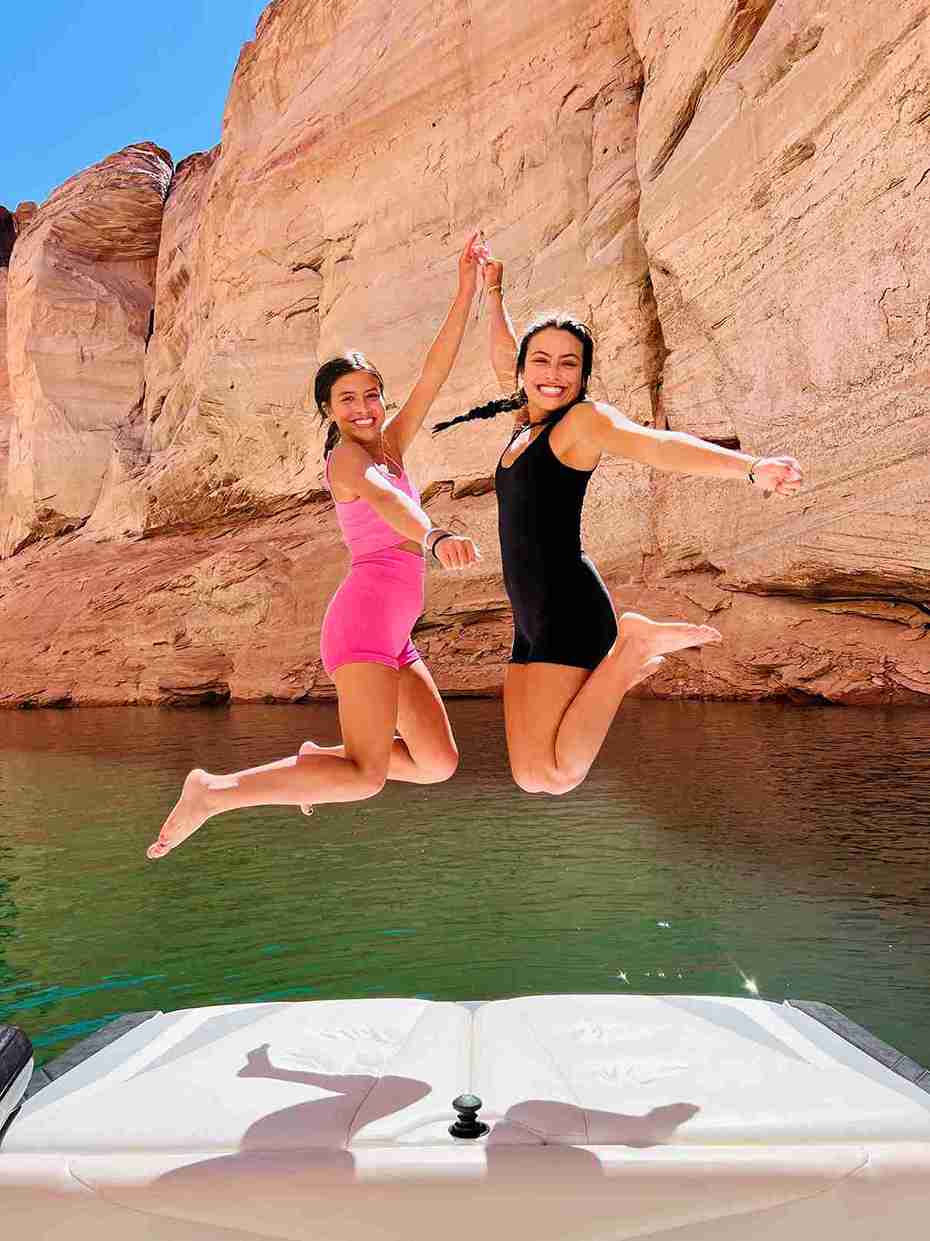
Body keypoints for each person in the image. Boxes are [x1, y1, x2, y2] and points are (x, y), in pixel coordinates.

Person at [146, 235, 486, 859]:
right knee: (366, 777)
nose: (364, 408)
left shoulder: (390, 443)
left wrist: (466, 289)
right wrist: (434, 534)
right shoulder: (348, 461)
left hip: (396, 635)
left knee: (436, 763)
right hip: (361, 629)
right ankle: (214, 790)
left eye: (371, 395)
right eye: (347, 400)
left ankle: (316, 761)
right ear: (328, 411)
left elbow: (436, 374)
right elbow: (393, 505)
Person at [433, 257, 803, 797]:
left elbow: (657, 446)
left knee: (556, 776)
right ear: (522, 369)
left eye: (569, 364)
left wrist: (749, 468)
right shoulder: (524, 424)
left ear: (583, 374)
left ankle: (632, 644)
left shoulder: (584, 422)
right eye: (541, 361)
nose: (553, 374)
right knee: (531, 776)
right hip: (531, 612)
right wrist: (493, 292)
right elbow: (502, 355)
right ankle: (629, 652)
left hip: (568, 606)